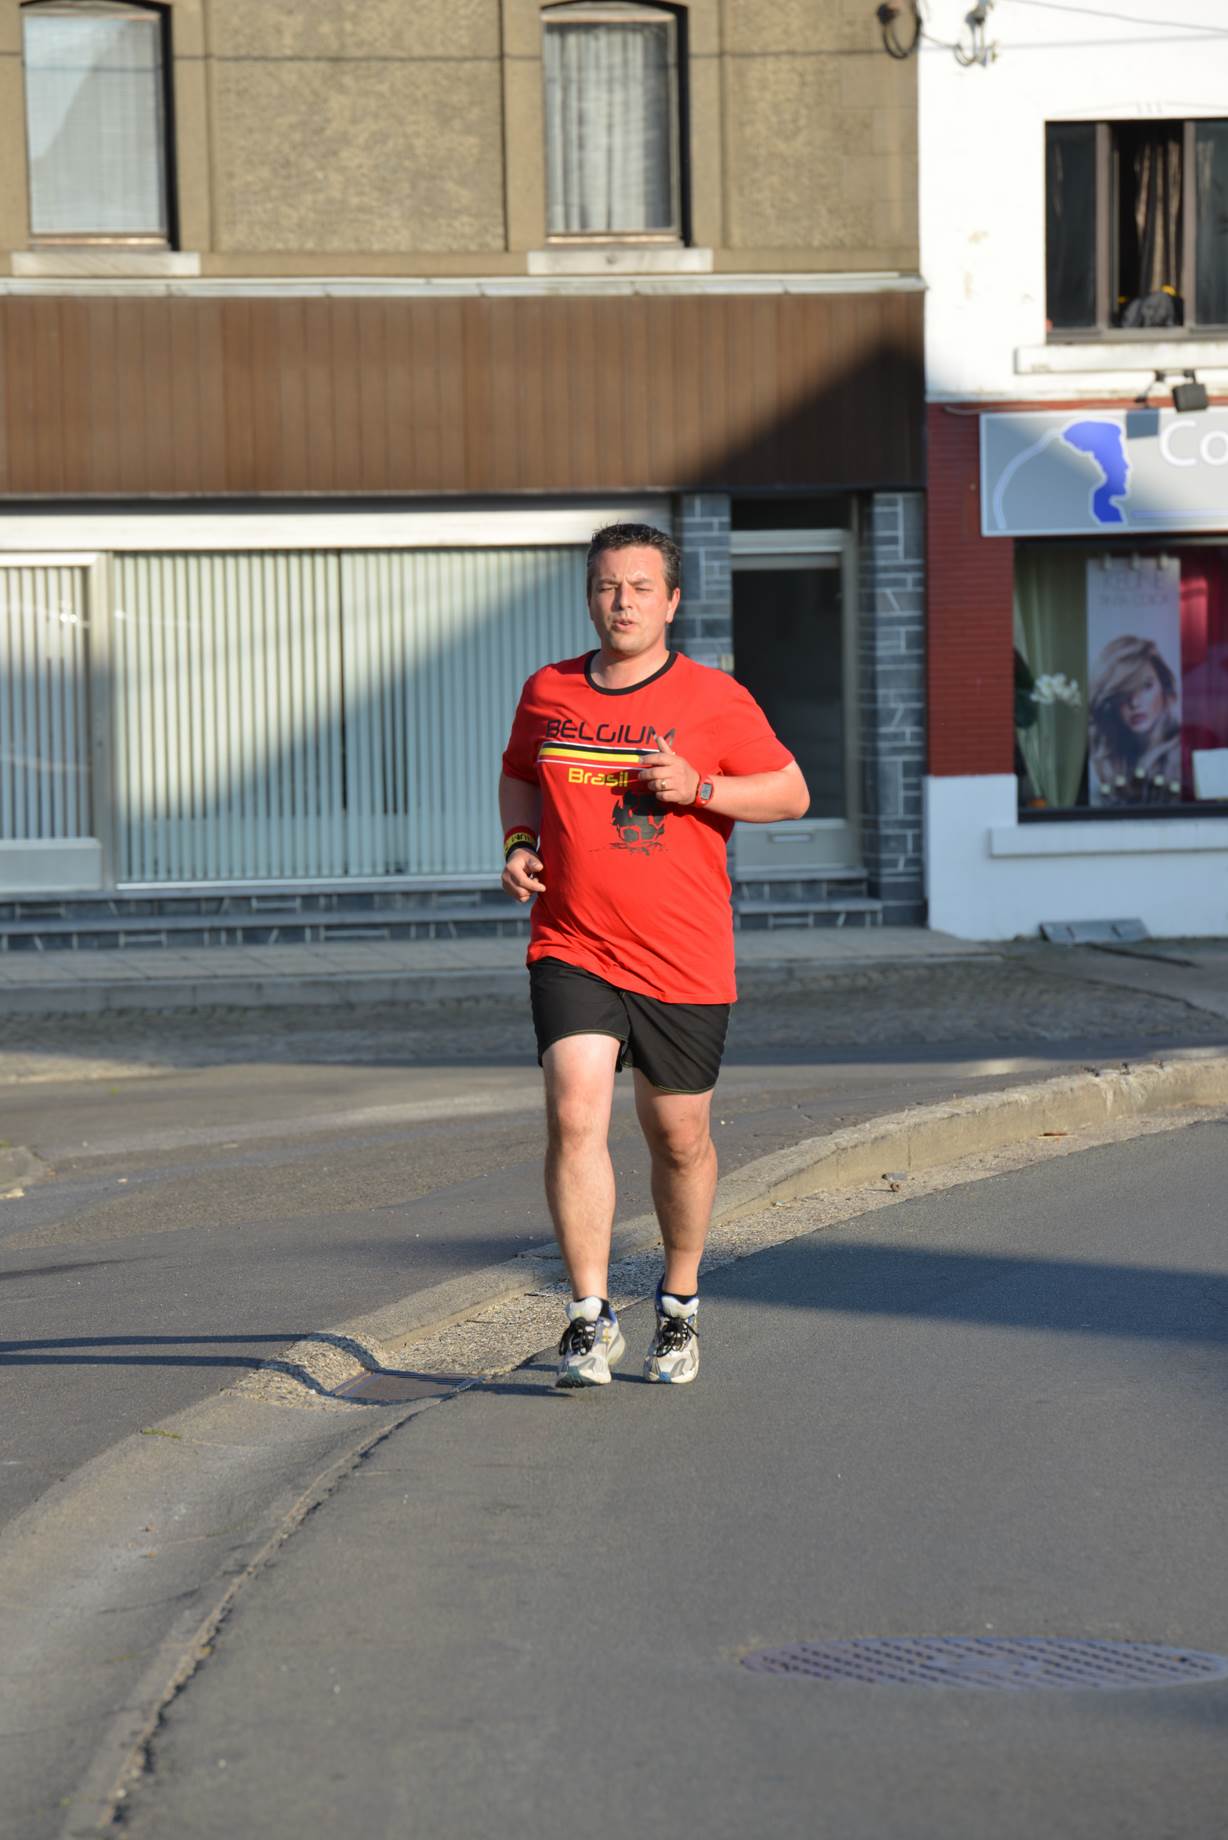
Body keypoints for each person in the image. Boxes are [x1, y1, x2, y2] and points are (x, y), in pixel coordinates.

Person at [499, 523, 809, 1388]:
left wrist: (700, 787)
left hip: (683, 956)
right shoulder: (549, 690)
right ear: (589, 596)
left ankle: (678, 1303)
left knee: (678, 1138)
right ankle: (587, 1316)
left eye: (640, 587)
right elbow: (519, 771)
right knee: (575, 1113)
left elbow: (790, 792)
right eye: (607, 586)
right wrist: (520, 842)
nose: (622, 602)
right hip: (574, 942)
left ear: (671, 601)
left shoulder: (715, 697)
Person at [1088, 635, 1182, 806]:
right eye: (1124, 692)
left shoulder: (1182, 754)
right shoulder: (1102, 760)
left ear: (1164, 686)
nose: (1135, 703)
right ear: (1111, 702)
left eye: (1146, 686)